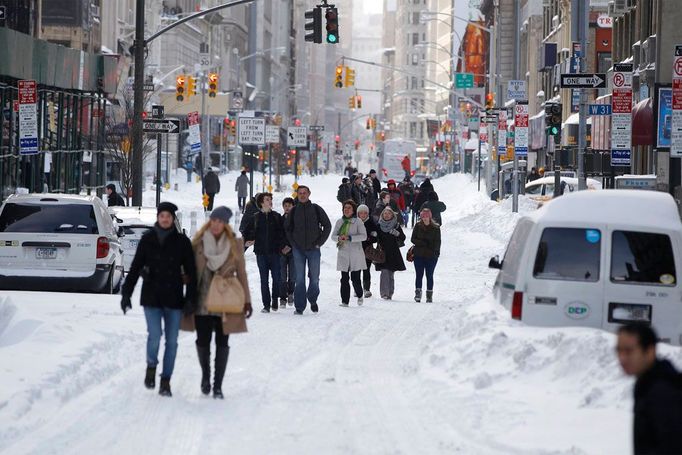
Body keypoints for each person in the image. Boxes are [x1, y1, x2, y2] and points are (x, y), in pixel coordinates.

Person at [121, 202, 197, 397]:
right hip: (152, 297)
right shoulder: (148, 239)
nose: (165, 219)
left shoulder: (182, 242)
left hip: (174, 299)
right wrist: (126, 294)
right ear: (158, 217)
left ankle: (165, 380)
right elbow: (136, 267)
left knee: (172, 342)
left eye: (168, 216)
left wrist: (190, 299)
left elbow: (192, 272)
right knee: (154, 336)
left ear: (173, 219)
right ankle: (151, 366)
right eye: (162, 216)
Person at [191, 206, 253, 399]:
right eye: (214, 220)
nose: (216, 224)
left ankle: (218, 384)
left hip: (226, 299)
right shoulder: (199, 242)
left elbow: (241, 272)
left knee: (222, 342)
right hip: (202, 298)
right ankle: (205, 377)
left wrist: (247, 301)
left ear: (225, 224)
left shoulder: (235, 243)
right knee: (203, 340)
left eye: (220, 221)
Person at [616, 323, 682, 455]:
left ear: (650, 351)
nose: (622, 358)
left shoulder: (663, 391)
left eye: (629, 351)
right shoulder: (647, 383)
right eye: (619, 350)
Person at [284, 185, 332, 314]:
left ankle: (312, 299)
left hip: (313, 249)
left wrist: (320, 242)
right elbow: (287, 228)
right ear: (297, 195)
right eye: (300, 193)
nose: (302, 195)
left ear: (309, 193)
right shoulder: (293, 211)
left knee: (314, 278)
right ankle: (299, 307)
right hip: (298, 250)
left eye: (304, 193)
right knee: (299, 278)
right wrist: (293, 244)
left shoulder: (316, 209)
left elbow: (327, 225)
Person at [243, 193, 286, 313]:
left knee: (277, 278)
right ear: (261, 202)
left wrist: (283, 246)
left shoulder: (277, 217)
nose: (270, 201)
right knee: (264, 279)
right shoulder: (255, 217)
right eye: (267, 199)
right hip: (261, 253)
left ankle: (275, 299)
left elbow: (282, 234)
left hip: (275, 253)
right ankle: (266, 305)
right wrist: (248, 241)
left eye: (271, 199)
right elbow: (247, 232)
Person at [332, 200, 367, 307]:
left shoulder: (358, 222)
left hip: (356, 253)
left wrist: (350, 238)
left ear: (353, 210)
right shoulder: (339, 222)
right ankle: (345, 301)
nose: (346, 210)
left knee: (355, 278)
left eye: (349, 208)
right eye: (345, 208)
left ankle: (360, 294)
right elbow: (333, 236)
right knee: (344, 278)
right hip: (343, 252)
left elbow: (363, 236)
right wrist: (339, 237)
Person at [411, 207, 441, 303]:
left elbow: (438, 242)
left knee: (429, 275)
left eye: (426, 217)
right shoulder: (418, 226)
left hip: (431, 256)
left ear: (430, 217)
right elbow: (413, 239)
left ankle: (429, 295)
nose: (425, 218)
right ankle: (418, 293)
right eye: (423, 217)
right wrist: (421, 242)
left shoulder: (436, 228)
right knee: (419, 275)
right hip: (419, 254)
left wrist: (436, 253)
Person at [375, 207, 406, 300]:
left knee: (391, 273)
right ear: (382, 215)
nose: (387, 215)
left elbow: (403, 237)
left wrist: (397, 233)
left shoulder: (396, 225)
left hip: (393, 252)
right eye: (385, 213)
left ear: (392, 215)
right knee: (384, 272)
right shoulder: (379, 226)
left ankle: (390, 293)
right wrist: (374, 235)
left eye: (389, 213)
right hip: (382, 252)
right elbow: (374, 237)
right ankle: (384, 293)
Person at [357, 204, 378, 298]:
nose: (363, 215)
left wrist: (369, 238)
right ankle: (357, 288)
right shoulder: (355, 222)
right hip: (356, 250)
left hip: (367, 250)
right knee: (356, 270)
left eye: (365, 213)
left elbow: (376, 237)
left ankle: (366, 289)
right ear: (358, 213)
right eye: (361, 213)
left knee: (366, 269)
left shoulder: (371, 222)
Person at [279, 197, 296, 307]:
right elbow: (277, 235)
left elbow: (297, 235)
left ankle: (291, 293)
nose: (287, 208)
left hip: (293, 251)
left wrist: (290, 246)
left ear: (293, 207)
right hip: (281, 252)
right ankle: (282, 297)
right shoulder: (279, 219)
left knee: (293, 275)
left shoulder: (296, 220)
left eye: (289, 206)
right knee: (282, 275)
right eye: (285, 206)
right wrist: (282, 247)